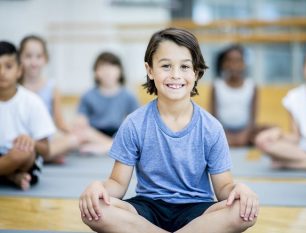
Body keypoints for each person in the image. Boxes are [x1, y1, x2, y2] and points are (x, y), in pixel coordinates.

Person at [79, 28, 258, 233]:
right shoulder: (134, 123)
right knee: (95, 209)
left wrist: (239, 189)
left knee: (242, 211)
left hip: (198, 212)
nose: (175, 75)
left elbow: (224, 189)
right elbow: (117, 184)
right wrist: (98, 187)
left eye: (184, 67)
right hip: (147, 208)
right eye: (166, 66)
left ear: (196, 73)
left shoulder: (211, 127)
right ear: (150, 70)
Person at [0, 41, 55, 190]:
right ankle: (9, 176)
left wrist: (31, 141)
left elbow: (46, 150)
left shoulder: (32, 102)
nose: (2, 72)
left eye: (8, 66)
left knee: (23, 152)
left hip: (21, 161)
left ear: (19, 70)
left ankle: (9, 174)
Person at [19, 35, 79, 163]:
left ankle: (41, 156)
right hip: (20, 140)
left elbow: (59, 122)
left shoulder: (51, 87)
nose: (33, 62)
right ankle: (44, 157)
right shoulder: (16, 87)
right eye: (28, 56)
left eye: (38, 57)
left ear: (45, 59)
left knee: (74, 140)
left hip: (44, 142)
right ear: (20, 59)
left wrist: (74, 131)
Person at [75, 52, 139, 155]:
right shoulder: (88, 95)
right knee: (82, 133)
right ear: (96, 72)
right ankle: (112, 146)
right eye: (103, 68)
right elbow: (81, 121)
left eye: (112, 67)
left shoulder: (128, 95)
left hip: (116, 133)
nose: (108, 72)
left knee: (132, 136)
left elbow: (135, 123)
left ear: (120, 71)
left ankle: (107, 146)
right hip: (94, 133)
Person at [212, 44, 271, 147]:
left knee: (269, 130)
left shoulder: (251, 86)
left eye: (238, 60)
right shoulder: (217, 86)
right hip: (222, 131)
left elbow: (253, 119)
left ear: (244, 64)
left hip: (247, 132)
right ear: (223, 64)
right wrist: (224, 135)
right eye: (229, 60)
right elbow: (214, 118)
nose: (233, 65)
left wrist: (245, 135)